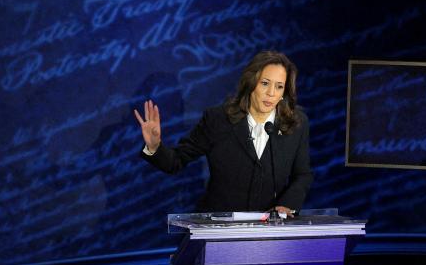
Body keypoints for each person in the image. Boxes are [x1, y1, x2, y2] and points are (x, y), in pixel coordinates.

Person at [134, 51, 313, 214]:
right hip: (220, 228)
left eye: (279, 86)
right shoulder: (218, 119)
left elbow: (303, 175)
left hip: (270, 231)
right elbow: (176, 161)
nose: (271, 93)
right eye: (265, 83)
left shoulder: (296, 123)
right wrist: (154, 146)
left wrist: (286, 205)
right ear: (251, 83)